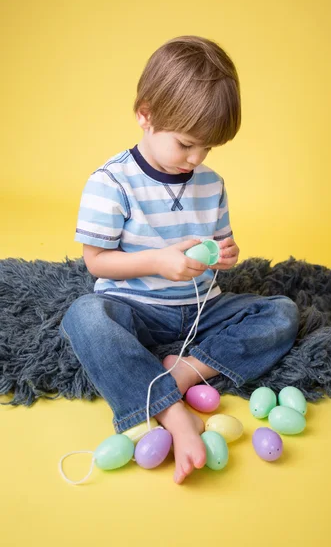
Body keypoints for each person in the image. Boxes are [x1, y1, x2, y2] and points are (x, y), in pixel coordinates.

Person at [60, 35, 299, 484]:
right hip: (137, 308)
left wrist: (225, 255)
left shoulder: (211, 183)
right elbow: (96, 263)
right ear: (145, 115)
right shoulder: (111, 182)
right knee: (85, 317)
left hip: (201, 307)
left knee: (282, 313)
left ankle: (184, 370)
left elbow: (221, 245)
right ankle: (171, 411)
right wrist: (157, 262)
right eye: (186, 144)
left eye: (207, 148)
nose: (195, 159)